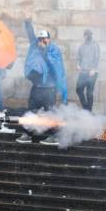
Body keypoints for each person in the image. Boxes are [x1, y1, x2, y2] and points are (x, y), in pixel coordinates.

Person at [16, 18, 67, 146]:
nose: (41, 41)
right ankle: (27, 134)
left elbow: (55, 66)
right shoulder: (35, 45)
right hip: (36, 86)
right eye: (40, 39)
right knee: (31, 111)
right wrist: (27, 23)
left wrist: (44, 51)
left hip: (49, 88)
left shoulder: (53, 49)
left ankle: (54, 136)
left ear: (49, 39)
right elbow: (30, 36)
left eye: (44, 39)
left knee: (51, 113)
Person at [76, 30, 100, 111]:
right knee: (78, 89)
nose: (87, 36)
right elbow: (79, 57)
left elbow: (97, 58)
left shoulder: (95, 45)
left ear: (91, 35)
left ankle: (89, 111)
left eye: (88, 35)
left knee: (89, 93)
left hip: (92, 72)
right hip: (83, 72)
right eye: (85, 35)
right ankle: (86, 108)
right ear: (84, 36)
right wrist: (78, 65)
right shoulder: (81, 46)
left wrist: (93, 69)